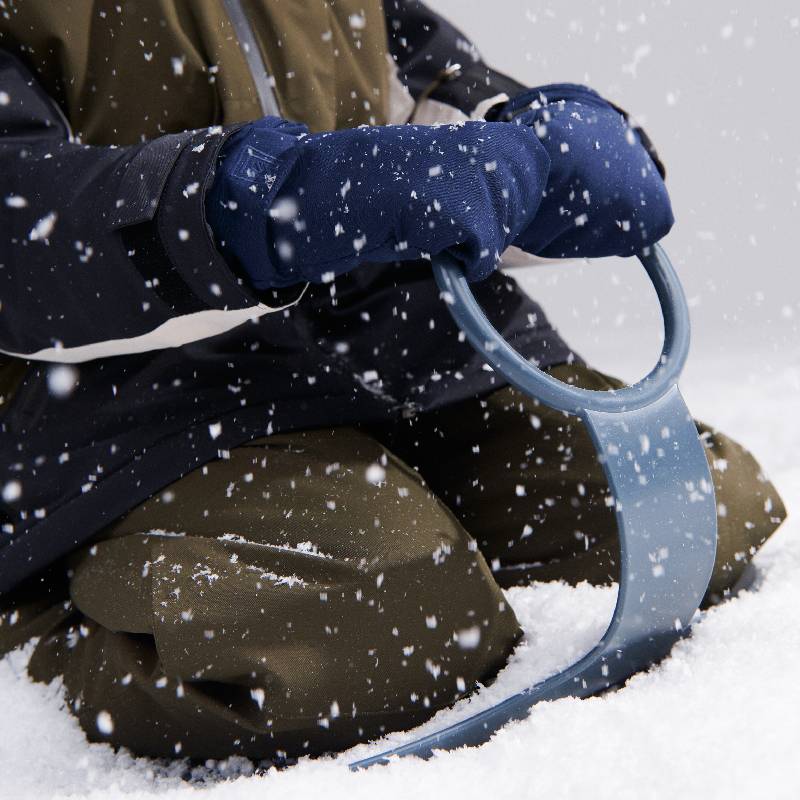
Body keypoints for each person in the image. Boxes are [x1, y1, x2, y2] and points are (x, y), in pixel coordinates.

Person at [0, 1, 785, 763]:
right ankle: (40, 621)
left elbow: (409, 72)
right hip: (117, 404)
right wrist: (256, 206)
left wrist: (524, 144)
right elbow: (21, 230)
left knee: (696, 508)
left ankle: (398, 531)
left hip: (392, 343)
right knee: (387, 626)